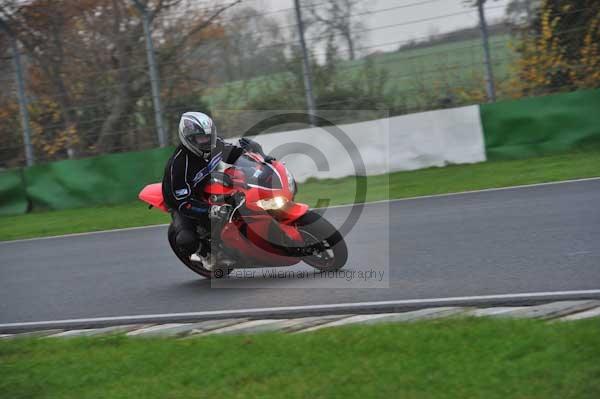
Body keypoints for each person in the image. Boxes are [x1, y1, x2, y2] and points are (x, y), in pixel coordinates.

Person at [162, 111, 270, 263]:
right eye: (201, 138)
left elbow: (234, 154)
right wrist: (209, 210)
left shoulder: (215, 144)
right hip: (183, 201)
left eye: (208, 136)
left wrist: (259, 159)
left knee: (238, 200)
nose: (206, 141)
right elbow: (183, 202)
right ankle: (205, 254)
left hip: (206, 185)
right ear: (189, 139)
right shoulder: (179, 165)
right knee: (186, 239)